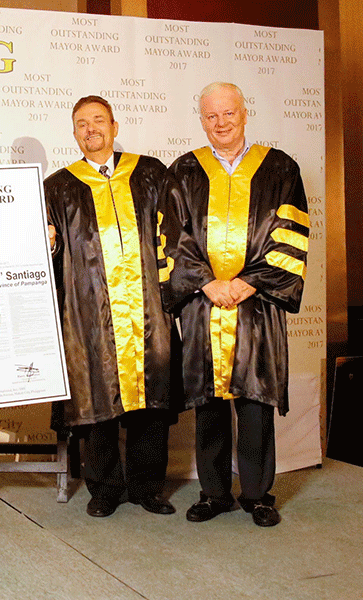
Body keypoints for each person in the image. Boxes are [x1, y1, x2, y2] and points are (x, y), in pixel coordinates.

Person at [160, 82, 308, 527]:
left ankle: (259, 494)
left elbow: (290, 234)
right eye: (211, 116)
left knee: (255, 398)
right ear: (200, 119)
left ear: (245, 113)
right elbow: (171, 236)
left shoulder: (280, 167)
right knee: (208, 401)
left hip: (256, 303)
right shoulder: (184, 170)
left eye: (228, 113)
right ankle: (214, 492)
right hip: (203, 305)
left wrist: (249, 282)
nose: (221, 123)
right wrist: (205, 283)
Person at [45, 95, 182, 518]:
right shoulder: (57, 186)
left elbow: (178, 234)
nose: (91, 129)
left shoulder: (150, 173)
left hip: (148, 310)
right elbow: (44, 254)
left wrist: (174, 295)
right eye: (81, 123)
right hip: (86, 315)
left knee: (151, 405)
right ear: (73, 133)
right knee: (95, 404)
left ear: (115, 126)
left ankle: (148, 487)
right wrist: (45, 246)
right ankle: (103, 489)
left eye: (98, 120)